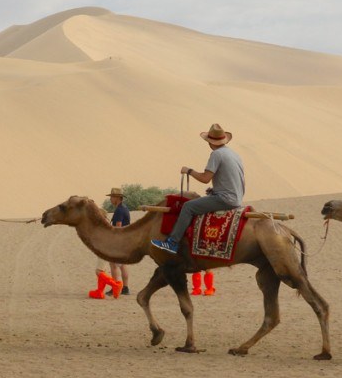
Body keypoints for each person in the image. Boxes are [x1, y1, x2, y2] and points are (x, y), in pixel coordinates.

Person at [151, 123, 245, 254]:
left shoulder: (217, 154)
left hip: (225, 199)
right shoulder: (234, 154)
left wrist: (189, 171)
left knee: (188, 207)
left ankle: (172, 242)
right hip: (236, 198)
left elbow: (205, 178)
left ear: (209, 142)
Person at [105, 187, 131, 296]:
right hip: (125, 240)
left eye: (112, 197)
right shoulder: (124, 208)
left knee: (113, 265)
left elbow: (118, 227)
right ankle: (125, 287)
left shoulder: (119, 210)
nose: (110, 199)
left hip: (119, 241)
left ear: (117, 198)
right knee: (122, 265)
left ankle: (115, 286)